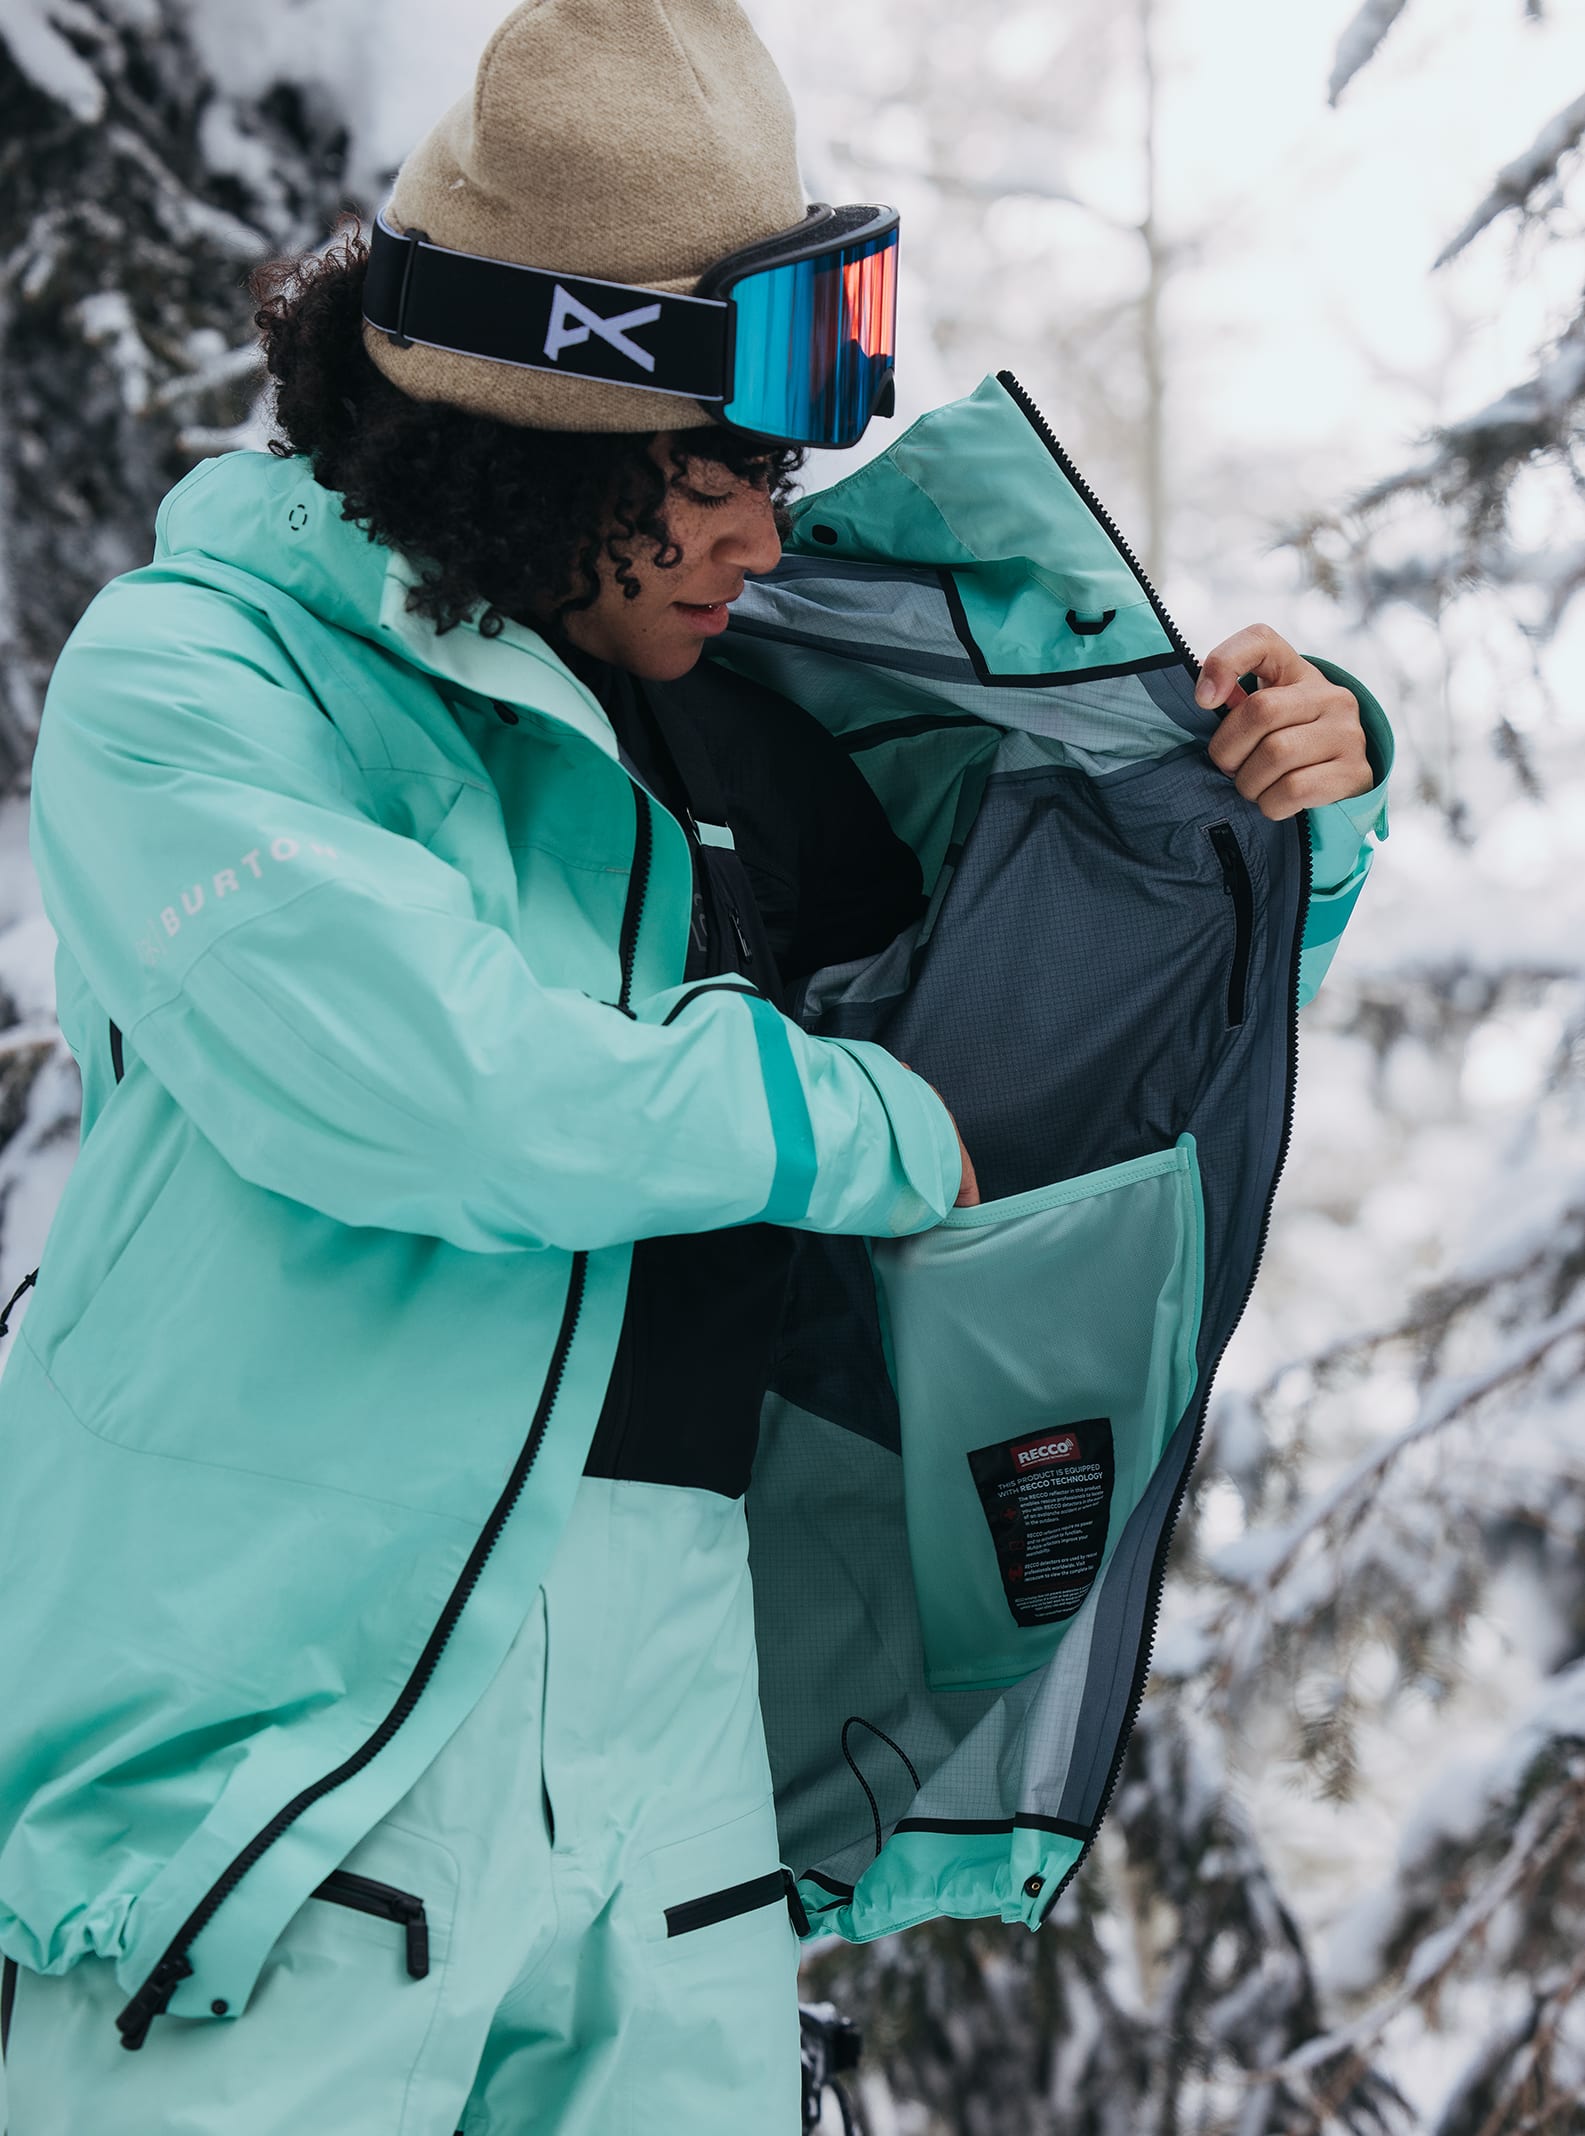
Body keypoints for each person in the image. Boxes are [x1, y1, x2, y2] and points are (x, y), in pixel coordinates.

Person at [0, 3, 1390, 2131]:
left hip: (671, 1792)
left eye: (778, 475)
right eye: (716, 471)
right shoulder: (202, 681)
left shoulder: (753, 731)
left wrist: (1286, 804)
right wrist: (857, 1123)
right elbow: (432, 1076)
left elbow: (1081, 1033)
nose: (765, 534)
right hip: (277, 1770)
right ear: (541, 449)